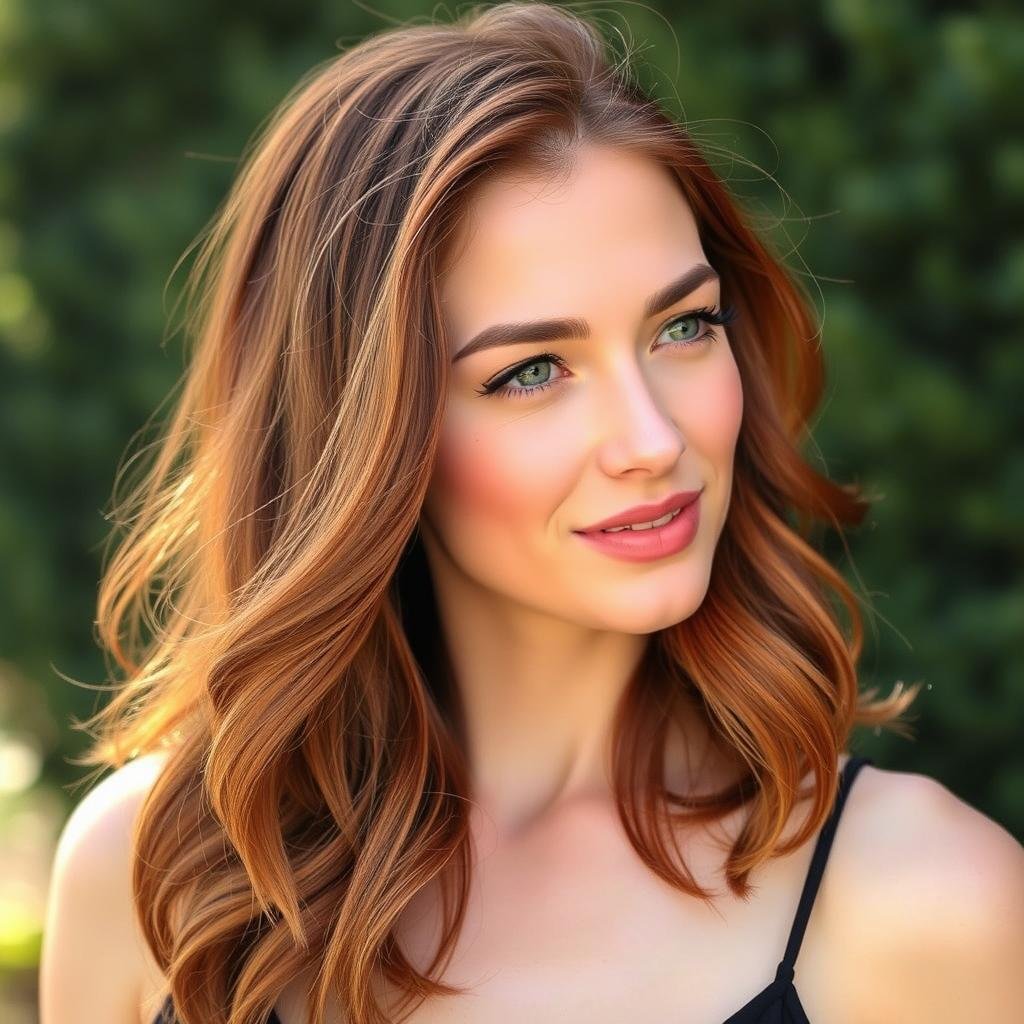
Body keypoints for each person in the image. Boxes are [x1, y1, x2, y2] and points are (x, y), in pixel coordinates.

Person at [38, 3, 1024, 1023]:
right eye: (533, 371)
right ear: (366, 436)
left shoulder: (925, 907)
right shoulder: (157, 877)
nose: (651, 438)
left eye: (683, 326)